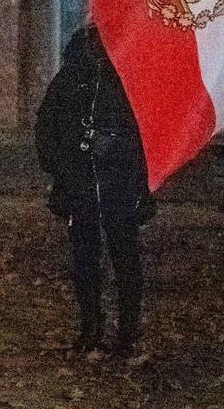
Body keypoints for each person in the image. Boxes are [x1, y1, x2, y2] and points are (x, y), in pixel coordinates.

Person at [34, 24, 155, 359]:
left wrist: (126, 163)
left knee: (124, 258)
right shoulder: (71, 78)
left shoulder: (128, 81)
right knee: (85, 260)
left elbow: (142, 133)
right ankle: (91, 328)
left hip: (119, 185)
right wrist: (64, 165)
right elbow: (46, 126)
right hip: (82, 186)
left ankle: (127, 333)